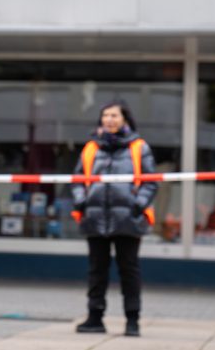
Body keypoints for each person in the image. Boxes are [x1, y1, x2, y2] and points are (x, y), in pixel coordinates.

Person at [70, 100, 157, 337]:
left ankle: (132, 320)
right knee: (96, 271)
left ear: (125, 119)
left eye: (114, 115)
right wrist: (81, 201)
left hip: (128, 219)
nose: (109, 120)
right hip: (95, 217)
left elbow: (151, 180)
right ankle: (95, 317)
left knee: (129, 270)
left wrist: (137, 206)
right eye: (105, 115)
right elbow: (78, 178)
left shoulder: (139, 147)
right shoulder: (91, 148)